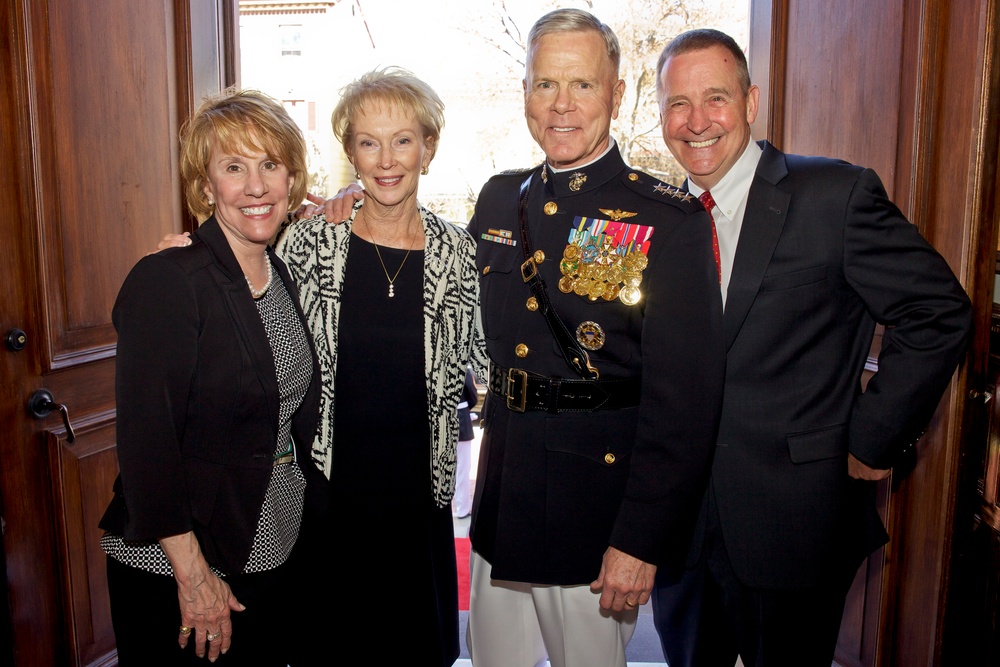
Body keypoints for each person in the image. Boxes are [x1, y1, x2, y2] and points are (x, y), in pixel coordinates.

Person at [320, 10, 724, 666]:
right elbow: (422, 258)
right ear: (527, 93)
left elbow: (687, 404)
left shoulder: (665, 220)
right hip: (502, 508)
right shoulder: (499, 199)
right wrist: (354, 201)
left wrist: (639, 538)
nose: (561, 105)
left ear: (617, 95)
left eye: (583, 86)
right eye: (545, 85)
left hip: (593, 522)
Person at [649, 29, 974, 667]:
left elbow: (938, 311)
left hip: (794, 523)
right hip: (681, 532)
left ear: (750, 101)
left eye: (714, 98)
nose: (695, 122)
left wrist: (871, 437)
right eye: (676, 104)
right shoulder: (660, 219)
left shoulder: (835, 195)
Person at [99, 89, 322, 666]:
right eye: (233, 167)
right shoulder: (169, 278)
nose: (255, 186)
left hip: (268, 544)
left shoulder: (277, 271)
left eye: (270, 165)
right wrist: (194, 576)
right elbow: (147, 448)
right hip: (181, 565)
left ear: (291, 178)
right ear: (206, 186)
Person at [454, 367, 479, 519]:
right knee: (462, 468)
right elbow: (473, 397)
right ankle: (462, 508)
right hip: (461, 420)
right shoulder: (463, 369)